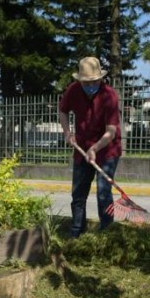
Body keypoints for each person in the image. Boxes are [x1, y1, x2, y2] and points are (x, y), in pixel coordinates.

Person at [58, 56, 122, 238]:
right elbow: (63, 111)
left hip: (107, 149)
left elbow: (111, 131)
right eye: (86, 82)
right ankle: (77, 232)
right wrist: (67, 132)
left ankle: (106, 234)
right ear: (80, 80)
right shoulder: (73, 90)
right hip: (81, 147)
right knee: (78, 194)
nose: (90, 85)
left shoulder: (110, 96)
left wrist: (95, 148)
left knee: (103, 192)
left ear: (100, 78)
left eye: (94, 81)